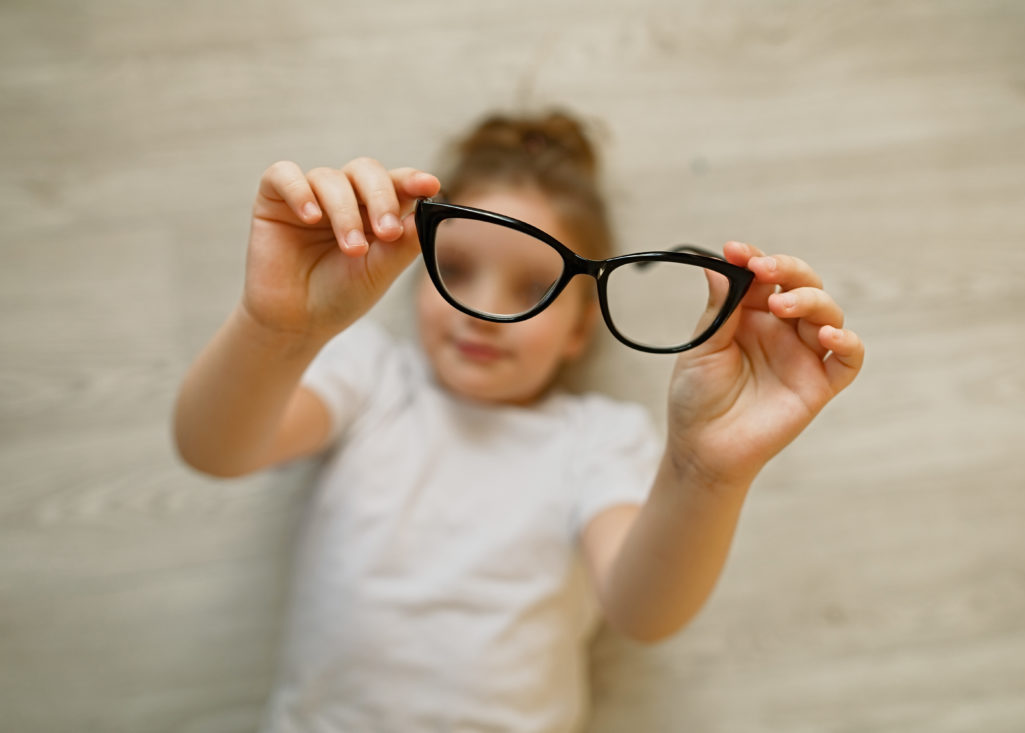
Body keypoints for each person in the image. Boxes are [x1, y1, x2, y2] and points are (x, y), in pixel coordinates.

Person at [172, 110, 865, 732]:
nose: (481, 308)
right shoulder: (371, 380)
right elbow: (216, 449)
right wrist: (274, 328)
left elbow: (643, 609)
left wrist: (705, 471)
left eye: (534, 287)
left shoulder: (595, 441)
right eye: (458, 269)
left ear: (578, 329)